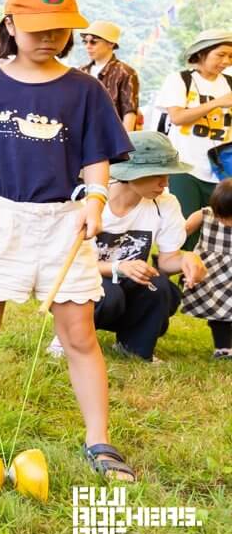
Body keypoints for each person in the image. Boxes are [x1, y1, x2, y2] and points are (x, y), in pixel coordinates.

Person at [0, 0, 136, 482]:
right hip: (0, 215)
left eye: (60, 28)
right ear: (11, 24)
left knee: (79, 333)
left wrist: (95, 199)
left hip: (64, 222)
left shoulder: (85, 89)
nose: (49, 37)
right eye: (37, 27)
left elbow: (96, 155)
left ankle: (99, 440)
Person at [48, 132, 206, 363]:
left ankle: (134, 348)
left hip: (128, 281)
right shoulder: (87, 202)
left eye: (168, 174)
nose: (165, 183)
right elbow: (67, 262)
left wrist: (186, 259)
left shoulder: (166, 204)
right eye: (156, 175)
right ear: (128, 174)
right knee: (109, 296)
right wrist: (119, 267)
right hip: (81, 279)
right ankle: (67, 337)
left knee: (161, 287)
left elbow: (166, 261)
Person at [154, 28, 232, 250]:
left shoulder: (229, 83)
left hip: (223, 169)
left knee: (222, 226)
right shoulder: (180, 80)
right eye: (220, 55)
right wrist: (216, 103)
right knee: (186, 226)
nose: (226, 61)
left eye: (231, 56)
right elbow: (177, 117)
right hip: (186, 166)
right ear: (202, 52)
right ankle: (180, 273)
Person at [181, 179, 232, 360]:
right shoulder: (204, 215)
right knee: (218, 312)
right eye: (220, 216)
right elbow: (181, 232)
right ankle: (223, 347)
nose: (224, 222)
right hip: (212, 277)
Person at [80, 21, 139, 131]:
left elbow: (129, 111)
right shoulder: (81, 72)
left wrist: (125, 144)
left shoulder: (125, 72)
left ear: (111, 43)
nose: (88, 46)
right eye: (85, 42)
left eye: (93, 42)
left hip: (112, 138)